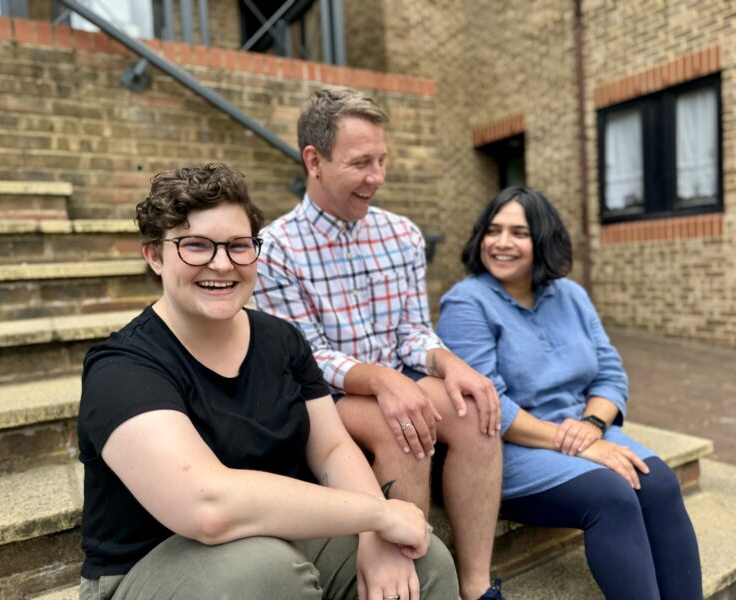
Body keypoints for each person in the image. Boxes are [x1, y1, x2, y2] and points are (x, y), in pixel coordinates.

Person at [77, 163, 460, 600]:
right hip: (153, 566)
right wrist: (376, 515)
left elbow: (333, 449)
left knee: (422, 559)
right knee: (263, 572)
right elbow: (207, 506)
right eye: (196, 246)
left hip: (278, 542)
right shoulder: (123, 368)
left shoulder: (281, 340)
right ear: (154, 255)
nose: (222, 264)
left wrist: (374, 530)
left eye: (239, 246)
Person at [253, 87, 505, 600]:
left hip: (395, 384)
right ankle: (414, 582)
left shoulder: (403, 235)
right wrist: (384, 380)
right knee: (402, 424)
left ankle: (475, 586)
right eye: (361, 162)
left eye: (382, 160)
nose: (377, 178)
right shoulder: (275, 249)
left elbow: (413, 331)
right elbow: (309, 358)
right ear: (314, 160)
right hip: (324, 402)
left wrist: (446, 361)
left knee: (475, 406)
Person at [437, 186, 703, 600]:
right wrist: (575, 444)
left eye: (519, 233)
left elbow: (611, 375)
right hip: (508, 448)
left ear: (542, 239)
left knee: (660, 482)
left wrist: (592, 426)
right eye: (493, 231)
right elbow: (490, 407)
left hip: (582, 429)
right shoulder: (466, 303)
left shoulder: (572, 296)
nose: (502, 243)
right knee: (610, 494)